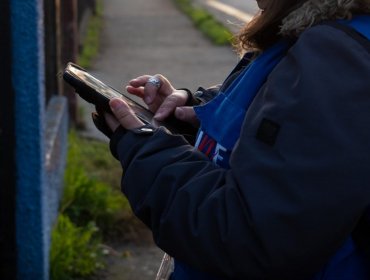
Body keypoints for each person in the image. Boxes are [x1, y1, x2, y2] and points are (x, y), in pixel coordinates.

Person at [92, 0, 370, 279]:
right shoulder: (318, 34)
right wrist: (197, 115)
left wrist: (147, 150)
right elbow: (286, 141)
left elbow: (253, 238)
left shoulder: (337, 59)